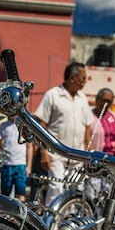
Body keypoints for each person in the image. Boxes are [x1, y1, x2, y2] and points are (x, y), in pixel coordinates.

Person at [33, 62, 92, 205]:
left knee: (76, 189)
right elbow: (42, 125)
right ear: (72, 77)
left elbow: (87, 127)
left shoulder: (82, 99)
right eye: (83, 78)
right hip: (56, 155)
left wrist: (88, 153)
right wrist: (43, 153)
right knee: (56, 188)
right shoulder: (52, 95)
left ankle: (70, 222)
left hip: (78, 155)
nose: (85, 81)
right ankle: (51, 224)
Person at [86, 88, 115, 202]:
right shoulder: (90, 117)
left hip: (112, 162)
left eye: (109, 101)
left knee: (111, 193)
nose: (106, 104)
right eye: (104, 100)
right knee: (94, 194)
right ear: (97, 100)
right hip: (96, 162)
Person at [0, 114, 32, 201]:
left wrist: (29, 166)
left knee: (21, 192)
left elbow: (29, 147)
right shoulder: (3, 125)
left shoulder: (24, 126)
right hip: (7, 164)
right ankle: (5, 212)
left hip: (20, 164)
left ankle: (20, 213)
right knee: (5, 193)